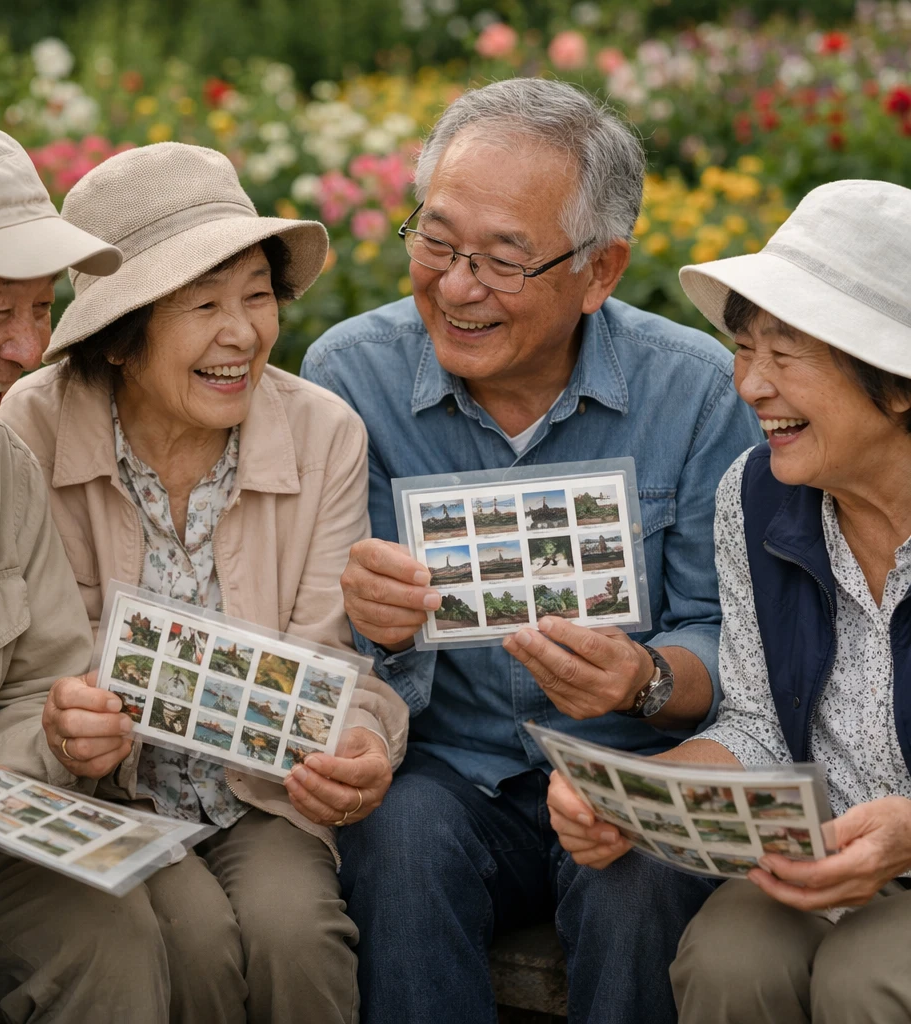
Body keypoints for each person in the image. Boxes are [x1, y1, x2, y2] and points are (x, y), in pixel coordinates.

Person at [300, 78, 762, 1024]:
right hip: (445, 769)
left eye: (505, 260)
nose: (457, 285)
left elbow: (729, 637)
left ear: (601, 271)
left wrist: (642, 678)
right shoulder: (349, 375)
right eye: (435, 240)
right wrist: (371, 624)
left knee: (642, 869)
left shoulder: (702, 391)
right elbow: (330, 640)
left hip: (627, 764)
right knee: (399, 840)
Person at [0, 141, 409, 1024]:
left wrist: (360, 740)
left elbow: (330, 657)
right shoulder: (24, 433)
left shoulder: (323, 433)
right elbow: (31, 669)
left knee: (297, 935)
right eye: (204, 305)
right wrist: (69, 728)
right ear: (120, 336)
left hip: (262, 798)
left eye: (257, 297)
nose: (243, 334)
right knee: (191, 946)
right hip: (104, 798)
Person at [549, 179, 911, 1023]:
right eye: (746, 350)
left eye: (787, 356)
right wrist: (633, 795)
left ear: (896, 385)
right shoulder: (756, 494)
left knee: (868, 980)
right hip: (814, 853)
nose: (750, 386)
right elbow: (752, 722)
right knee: (727, 958)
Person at [0, 118, 179, 1023]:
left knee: (113, 932)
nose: (28, 349)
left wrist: (59, 734)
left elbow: (34, 689)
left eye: (41, 309)